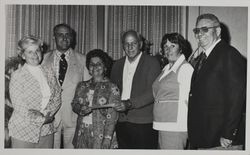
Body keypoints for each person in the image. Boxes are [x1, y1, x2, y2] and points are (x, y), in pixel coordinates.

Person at [188, 13, 246, 150]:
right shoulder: (202, 58)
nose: (199, 34)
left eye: (205, 29)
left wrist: (228, 133)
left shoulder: (229, 54)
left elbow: (237, 98)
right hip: (204, 137)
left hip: (221, 140)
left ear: (218, 31)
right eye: (197, 31)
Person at [42, 23, 91, 148]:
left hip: (73, 117)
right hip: (50, 118)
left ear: (72, 37)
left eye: (67, 35)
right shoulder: (43, 59)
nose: (64, 38)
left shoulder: (83, 60)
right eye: (60, 35)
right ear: (54, 37)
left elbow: (88, 89)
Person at [111, 29, 161, 149]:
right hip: (121, 122)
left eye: (133, 43)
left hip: (144, 123)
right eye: (126, 43)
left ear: (140, 44)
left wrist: (129, 104)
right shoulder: (117, 65)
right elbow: (113, 91)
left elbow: (153, 92)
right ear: (122, 45)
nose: (130, 47)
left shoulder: (152, 62)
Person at [8, 35, 61, 148]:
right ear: (23, 55)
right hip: (23, 130)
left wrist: (48, 115)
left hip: (46, 130)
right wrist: (42, 119)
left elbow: (57, 97)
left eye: (37, 50)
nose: (35, 55)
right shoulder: (18, 75)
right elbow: (19, 106)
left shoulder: (49, 72)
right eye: (30, 52)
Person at [152, 33, 193, 149]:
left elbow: (190, 101)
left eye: (173, 46)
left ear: (181, 48)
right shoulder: (166, 68)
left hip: (175, 126)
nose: (168, 49)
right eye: (165, 46)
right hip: (163, 123)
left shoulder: (185, 68)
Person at [71, 49, 119, 149]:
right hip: (83, 133)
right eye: (92, 64)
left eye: (99, 64)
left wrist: (107, 138)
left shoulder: (112, 88)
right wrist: (80, 109)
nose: (95, 67)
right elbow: (74, 104)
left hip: (102, 134)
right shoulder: (82, 86)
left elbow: (113, 117)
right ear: (88, 67)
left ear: (105, 67)